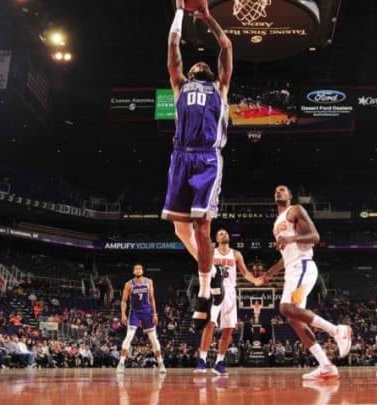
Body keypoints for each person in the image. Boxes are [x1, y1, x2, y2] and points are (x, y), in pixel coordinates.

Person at [162, 0, 233, 332]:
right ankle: (214, 272)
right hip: (180, 156)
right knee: (179, 228)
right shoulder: (178, 86)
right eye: (196, 64)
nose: (200, 63)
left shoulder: (220, 87)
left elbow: (227, 46)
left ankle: (205, 292)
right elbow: (173, 45)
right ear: (189, 72)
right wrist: (178, 11)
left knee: (202, 226)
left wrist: (209, 19)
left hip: (206, 157)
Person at [261, 185, 351, 381]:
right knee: (294, 319)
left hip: (302, 266)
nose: (279, 192)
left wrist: (291, 238)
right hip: (292, 270)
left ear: (291, 196)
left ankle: (337, 330)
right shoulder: (277, 223)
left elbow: (315, 237)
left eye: (283, 190)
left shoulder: (295, 210)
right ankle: (326, 365)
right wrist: (269, 273)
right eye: (276, 190)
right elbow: (286, 255)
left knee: (286, 308)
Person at [193, 228, 261, 376]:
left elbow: (244, 272)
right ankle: (202, 360)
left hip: (230, 291)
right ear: (217, 239)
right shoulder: (212, 252)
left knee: (229, 328)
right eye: (221, 234)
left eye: (226, 233)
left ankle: (219, 362)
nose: (225, 235)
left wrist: (255, 280)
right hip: (214, 290)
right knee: (209, 324)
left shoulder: (236, 254)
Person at [117, 263, 166, 374]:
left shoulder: (149, 282)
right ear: (134, 272)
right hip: (134, 312)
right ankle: (121, 363)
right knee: (129, 336)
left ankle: (161, 362)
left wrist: (155, 314)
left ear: (142, 271)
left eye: (140, 269)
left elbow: (152, 298)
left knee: (153, 338)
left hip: (147, 312)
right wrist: (123, 314)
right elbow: (124, 301)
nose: (138, 270)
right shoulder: (129, 284)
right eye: (136, 269)